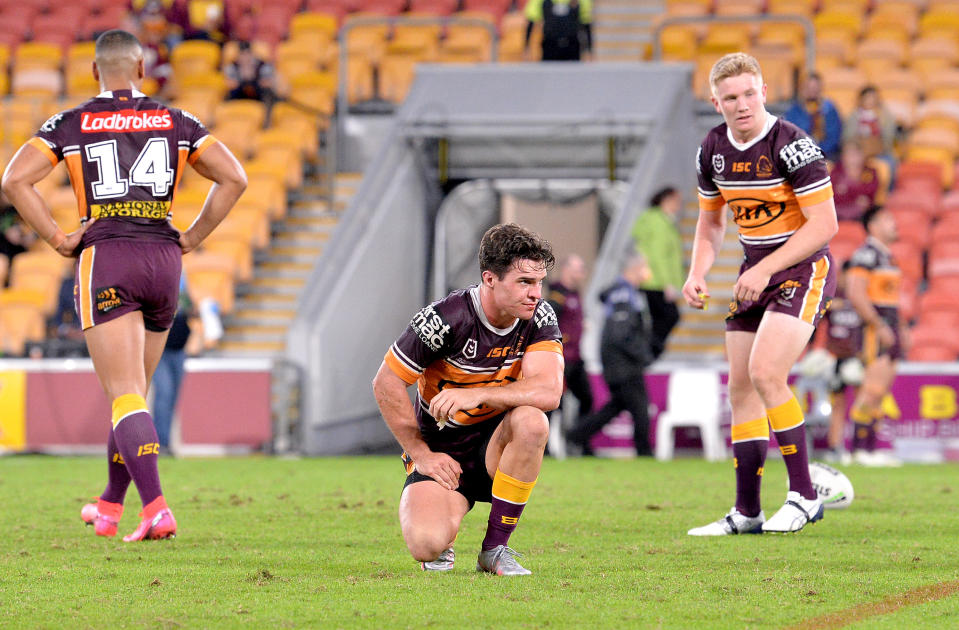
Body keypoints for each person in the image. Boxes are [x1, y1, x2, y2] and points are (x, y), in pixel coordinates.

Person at [1, 29, 247, 541]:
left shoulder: (72, 122)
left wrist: (55, 237)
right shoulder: (177, 119)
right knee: (134, 394)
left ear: (94, 72)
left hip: (108, 253)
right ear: (141, 70)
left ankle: (155, 507)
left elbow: (14, 180)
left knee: (124, 394)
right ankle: (110, 505)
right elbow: (235, 178)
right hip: (163, 260)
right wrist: (194, 237)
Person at [684, 52, 838, 536]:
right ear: (716, 102)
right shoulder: (711, 151)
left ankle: (804, 496)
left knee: (767, 372)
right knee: (742, 388)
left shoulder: (793, 145)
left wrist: (767, 267)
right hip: (755, 271)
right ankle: (747, 511)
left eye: (751, 94)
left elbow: (825, 225)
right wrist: (697, 273)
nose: (743, 104)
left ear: (764, 92)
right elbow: (711, 224)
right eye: (731, 97)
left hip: (803, 268)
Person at [371, 223, 563, 576]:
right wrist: (422, 454)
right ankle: (443, 537)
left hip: (496, 445)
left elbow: (549, 390)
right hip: (443, 452)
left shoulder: (540, 316)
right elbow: (386, 384)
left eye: (539, 282)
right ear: (490, 279)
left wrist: (475, 394)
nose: (536, 293)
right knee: (426, 545)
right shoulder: (445, 319)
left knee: (533, 421)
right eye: (524, 282)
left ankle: (494, 549)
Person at [567, 254, 655, 457]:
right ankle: (644, 452)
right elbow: (620, 334)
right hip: (623, 366)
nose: (647, 273)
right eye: (645, 268)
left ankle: (576, 435)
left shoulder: (625, 292)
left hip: (619, 364)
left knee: (616, 406)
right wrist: (643, 355)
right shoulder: (623, 294)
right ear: (635, 269)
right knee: (640, 410)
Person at [845, 205, 904, 467]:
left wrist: (900, 329)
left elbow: (892, 300)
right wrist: (878, 325)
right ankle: (858, 450)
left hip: (889, 327)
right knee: (872, 389)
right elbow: (856, 294)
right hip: (874, 329)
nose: (894, 223)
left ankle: (871, 448)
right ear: (872, 226)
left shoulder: (887, 258)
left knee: (882, 392)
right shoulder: (865, 255)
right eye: (888, 219)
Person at [631, 186, 685, 358]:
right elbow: (659, 255)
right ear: (666, 200)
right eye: (676, 201)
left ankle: (649, 352)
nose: (679, 205)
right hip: (655, 282)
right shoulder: (659, 222)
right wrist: (667, 283)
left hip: (653, 281)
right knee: (670, 316)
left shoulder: (661, 221)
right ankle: (650, 353)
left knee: (658, 319)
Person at [819, 261, 864, 464]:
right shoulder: (832, 298)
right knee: (837, 404)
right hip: (836, 358)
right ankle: (835, 448)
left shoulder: (862, 301)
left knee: (861, 403)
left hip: (857, 358)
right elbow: (815, 321)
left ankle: (859, 447)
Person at [546, 254, 593, 427]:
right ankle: (547, 445)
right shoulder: (557, 296)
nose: (582, 273)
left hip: (576, 358)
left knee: (587, 399)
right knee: (553, 402)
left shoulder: (575, 294)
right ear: (566, 270)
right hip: (561, 358)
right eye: (579, 269)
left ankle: (579, 440)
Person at [151, 273, 194, 451]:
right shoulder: (151, 285)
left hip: (178, 350)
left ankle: (165, 441)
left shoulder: (182, 287)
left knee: (172, 397)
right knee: (164, 393)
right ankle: (160, 442)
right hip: (158, 350)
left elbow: (190, 312)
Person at [783, 72, 842, 161]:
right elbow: (789, 135)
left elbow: (834, 137)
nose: (812, 92)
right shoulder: (794, 110)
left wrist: (818, 152)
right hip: (800, 156)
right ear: (802, 89)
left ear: (821, 89)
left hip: (827, 155)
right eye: (808, 88)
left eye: (815, 88)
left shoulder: (830, 109)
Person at [842, 86, 897, 178]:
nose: (870, 101)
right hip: (858, 151)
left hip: (881, 153)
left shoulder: (885, 116)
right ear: (861, 100)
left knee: (891, 164)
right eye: (867, 98)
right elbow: (847, 137)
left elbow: (889, 138)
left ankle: (888, 191)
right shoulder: (854, 116)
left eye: (873, 98)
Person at [830, 139, 883, 223]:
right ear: (843, 157)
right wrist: (854, 198)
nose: (853, 159)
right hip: (839, 213)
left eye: (856, 154)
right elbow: (833, 196)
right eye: (849, 155)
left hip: (863, 214)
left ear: (862, 155)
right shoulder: (836, 173)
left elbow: (870, 193)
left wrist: (846, 191)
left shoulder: (870, 172)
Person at [524, 0, 593, 62]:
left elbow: (586, 24)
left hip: (572, 46)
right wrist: (526, 47)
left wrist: (589, 50)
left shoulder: (582, 1)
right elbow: (531, 22)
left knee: (573, 74)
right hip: (550, 45)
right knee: (548, 73)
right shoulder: (539, 1)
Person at [225, 41, 277, 106]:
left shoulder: (263, 65)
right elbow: (230, 84)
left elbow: (268, 83)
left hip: (259, 95)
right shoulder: (232, 66)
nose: (245, 58)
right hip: (239, 95)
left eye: (247, 55)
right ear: (238, 56)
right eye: (242, 55)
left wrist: (252, 78)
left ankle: (267, 114)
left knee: (268, 92)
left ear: (252, 54)